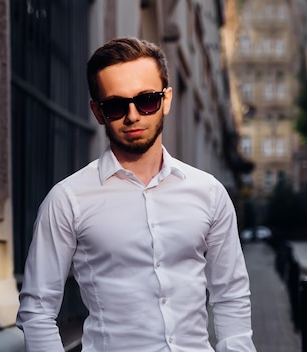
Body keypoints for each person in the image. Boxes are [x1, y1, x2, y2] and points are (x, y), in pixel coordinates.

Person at [16, 37, 256, 352]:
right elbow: (37, 310)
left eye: (146, 100)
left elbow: (230, 294)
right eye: (115, 105)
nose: (132, 116)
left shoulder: (208, 192)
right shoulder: (68, 199)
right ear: (97, 112)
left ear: (166, 99)